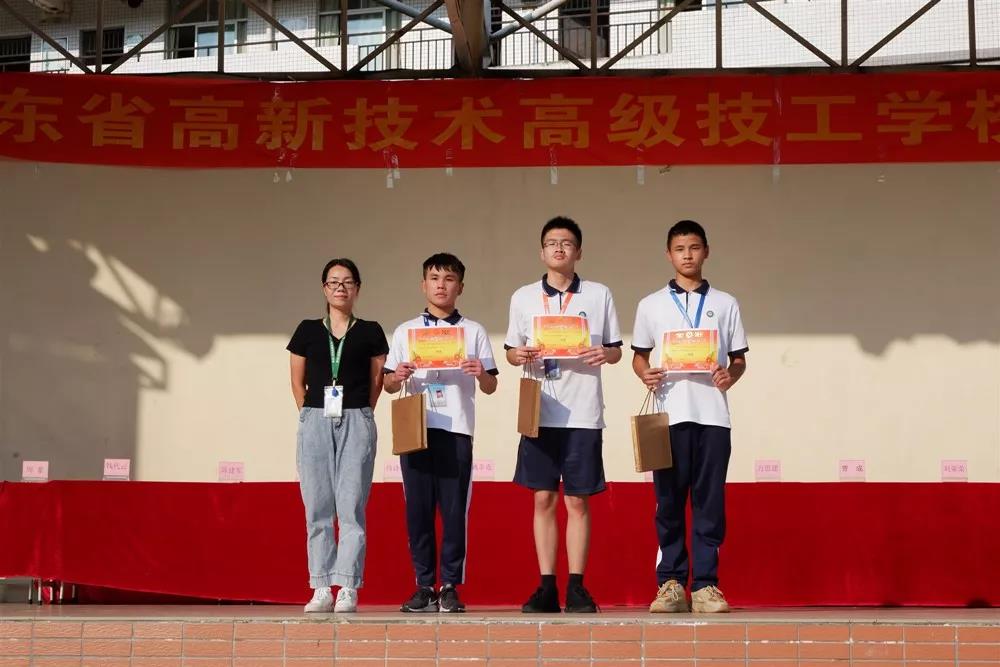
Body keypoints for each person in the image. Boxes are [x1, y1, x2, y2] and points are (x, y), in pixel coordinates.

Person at [504, 216, 623, 613]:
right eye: (552, 243)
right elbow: (510, 351)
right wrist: (518, 354)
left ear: (579, 252)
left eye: (567, 243)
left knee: (577, 502)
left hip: (583, 412)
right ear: (542, 252)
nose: (559, 248)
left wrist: (604, 353)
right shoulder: (523, 297)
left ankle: (576, 586)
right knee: (542, 499)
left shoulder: (598, 294)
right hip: (540, 409)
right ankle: (546, 586)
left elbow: (616, 350)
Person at [631, 219, 748, 613]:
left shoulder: (726, 303)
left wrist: (730, 375)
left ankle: (706, 586)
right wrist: (644, 373)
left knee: (709, 501)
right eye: (680, 249)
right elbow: (639, 356)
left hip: (713, 416)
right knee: (667, 502)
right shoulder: (650, 305)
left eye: (694, 248)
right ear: (669, 255)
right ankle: (670, 584)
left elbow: (738, 359)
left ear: (706, 252)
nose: (687, 255)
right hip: (667, 415)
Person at [384, 253, 498, 613]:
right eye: (434, 278)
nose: (441, 285)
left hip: (456, 429)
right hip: (416, 428)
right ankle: (423, 585)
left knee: (454, 511)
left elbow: (491, 386)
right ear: (423, 285)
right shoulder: (405, 331)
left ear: (460, 287)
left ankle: (449, 585)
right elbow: (387, 384)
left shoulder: (474, 331)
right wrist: (396, 376)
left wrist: (481, 372)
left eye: (449, 279)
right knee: (417, 511)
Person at [286, 258, 388, 613]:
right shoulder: (307, 330)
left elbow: (377, 381)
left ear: (357, 288)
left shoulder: (371, 330)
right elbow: (297, 381)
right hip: (315, 418)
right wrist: (309, 412)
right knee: (317, 506)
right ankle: (320, 586)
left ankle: (347, 585)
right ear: (324, 288)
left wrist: (362, 412)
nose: (340, 288)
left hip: (356, 418)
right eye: (333, 282)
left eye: (347, 282)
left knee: (351, 506)